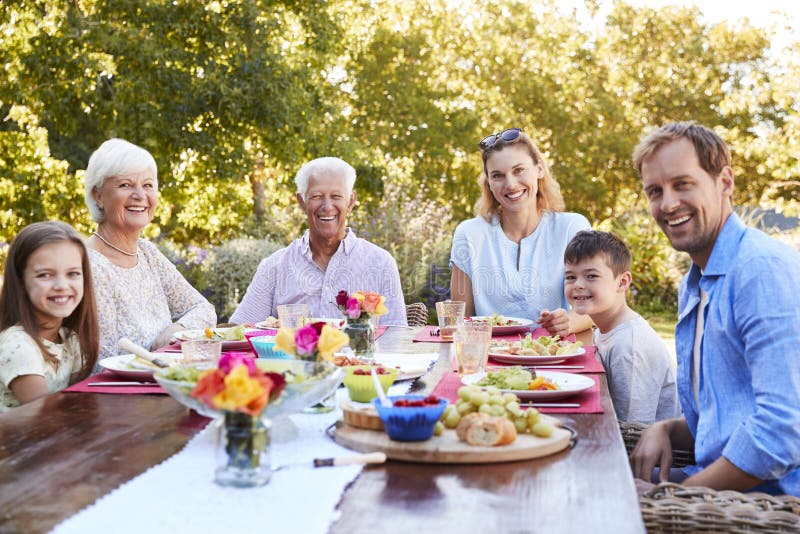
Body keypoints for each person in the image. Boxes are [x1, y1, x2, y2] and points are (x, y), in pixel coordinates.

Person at [630, 121, 800, 495]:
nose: (668, 204)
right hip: (717, 481)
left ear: (724, 182)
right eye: (655, 191)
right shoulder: (695, 284)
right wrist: (667, 429)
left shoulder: (759, 270)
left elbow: (781, 432)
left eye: (683, 184)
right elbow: (728, 412)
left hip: (769, 503)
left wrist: (676, 497)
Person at [449, 128, 593, 337]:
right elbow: (460, 320)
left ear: (539, 169)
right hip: (491, 359)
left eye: (519, 170)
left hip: (556, 356)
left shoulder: (572, 227)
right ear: (488, 183)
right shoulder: (469, 234)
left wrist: (568, 322)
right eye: (498, 175)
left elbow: (595, 306)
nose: (510, 184)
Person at [230, 157, 407, 325]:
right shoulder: (274, 267)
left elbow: (397, 337)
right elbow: (240, 331)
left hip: (359, 358)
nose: (327, 206)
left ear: (351, 202)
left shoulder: (381, 263)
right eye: (316, 196)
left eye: (336, 196)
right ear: (302, 202)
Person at [84, 139, 216, 359]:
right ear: (98, 196)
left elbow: (203, 309)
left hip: (161, 379)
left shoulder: (147, 253)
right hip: (117, 389)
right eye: (125, 185)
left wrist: (176, 330)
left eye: (147, 185)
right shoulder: (86, 262)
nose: (139, 195)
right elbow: (104, 358)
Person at [564, 230, 680, 424]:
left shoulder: (629, 347)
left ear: (623, 282)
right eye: (570, 277)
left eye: (591, 276)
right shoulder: (606, 327)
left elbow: (633, 429)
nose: (578, 285)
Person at [0, 221, 99, 411]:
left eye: (73, 273)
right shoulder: (18, 345)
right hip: (25, 439)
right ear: (21, 281)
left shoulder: (70, 340)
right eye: (45, 275)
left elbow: (82, 403)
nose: (62, 285)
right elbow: (47, 418)